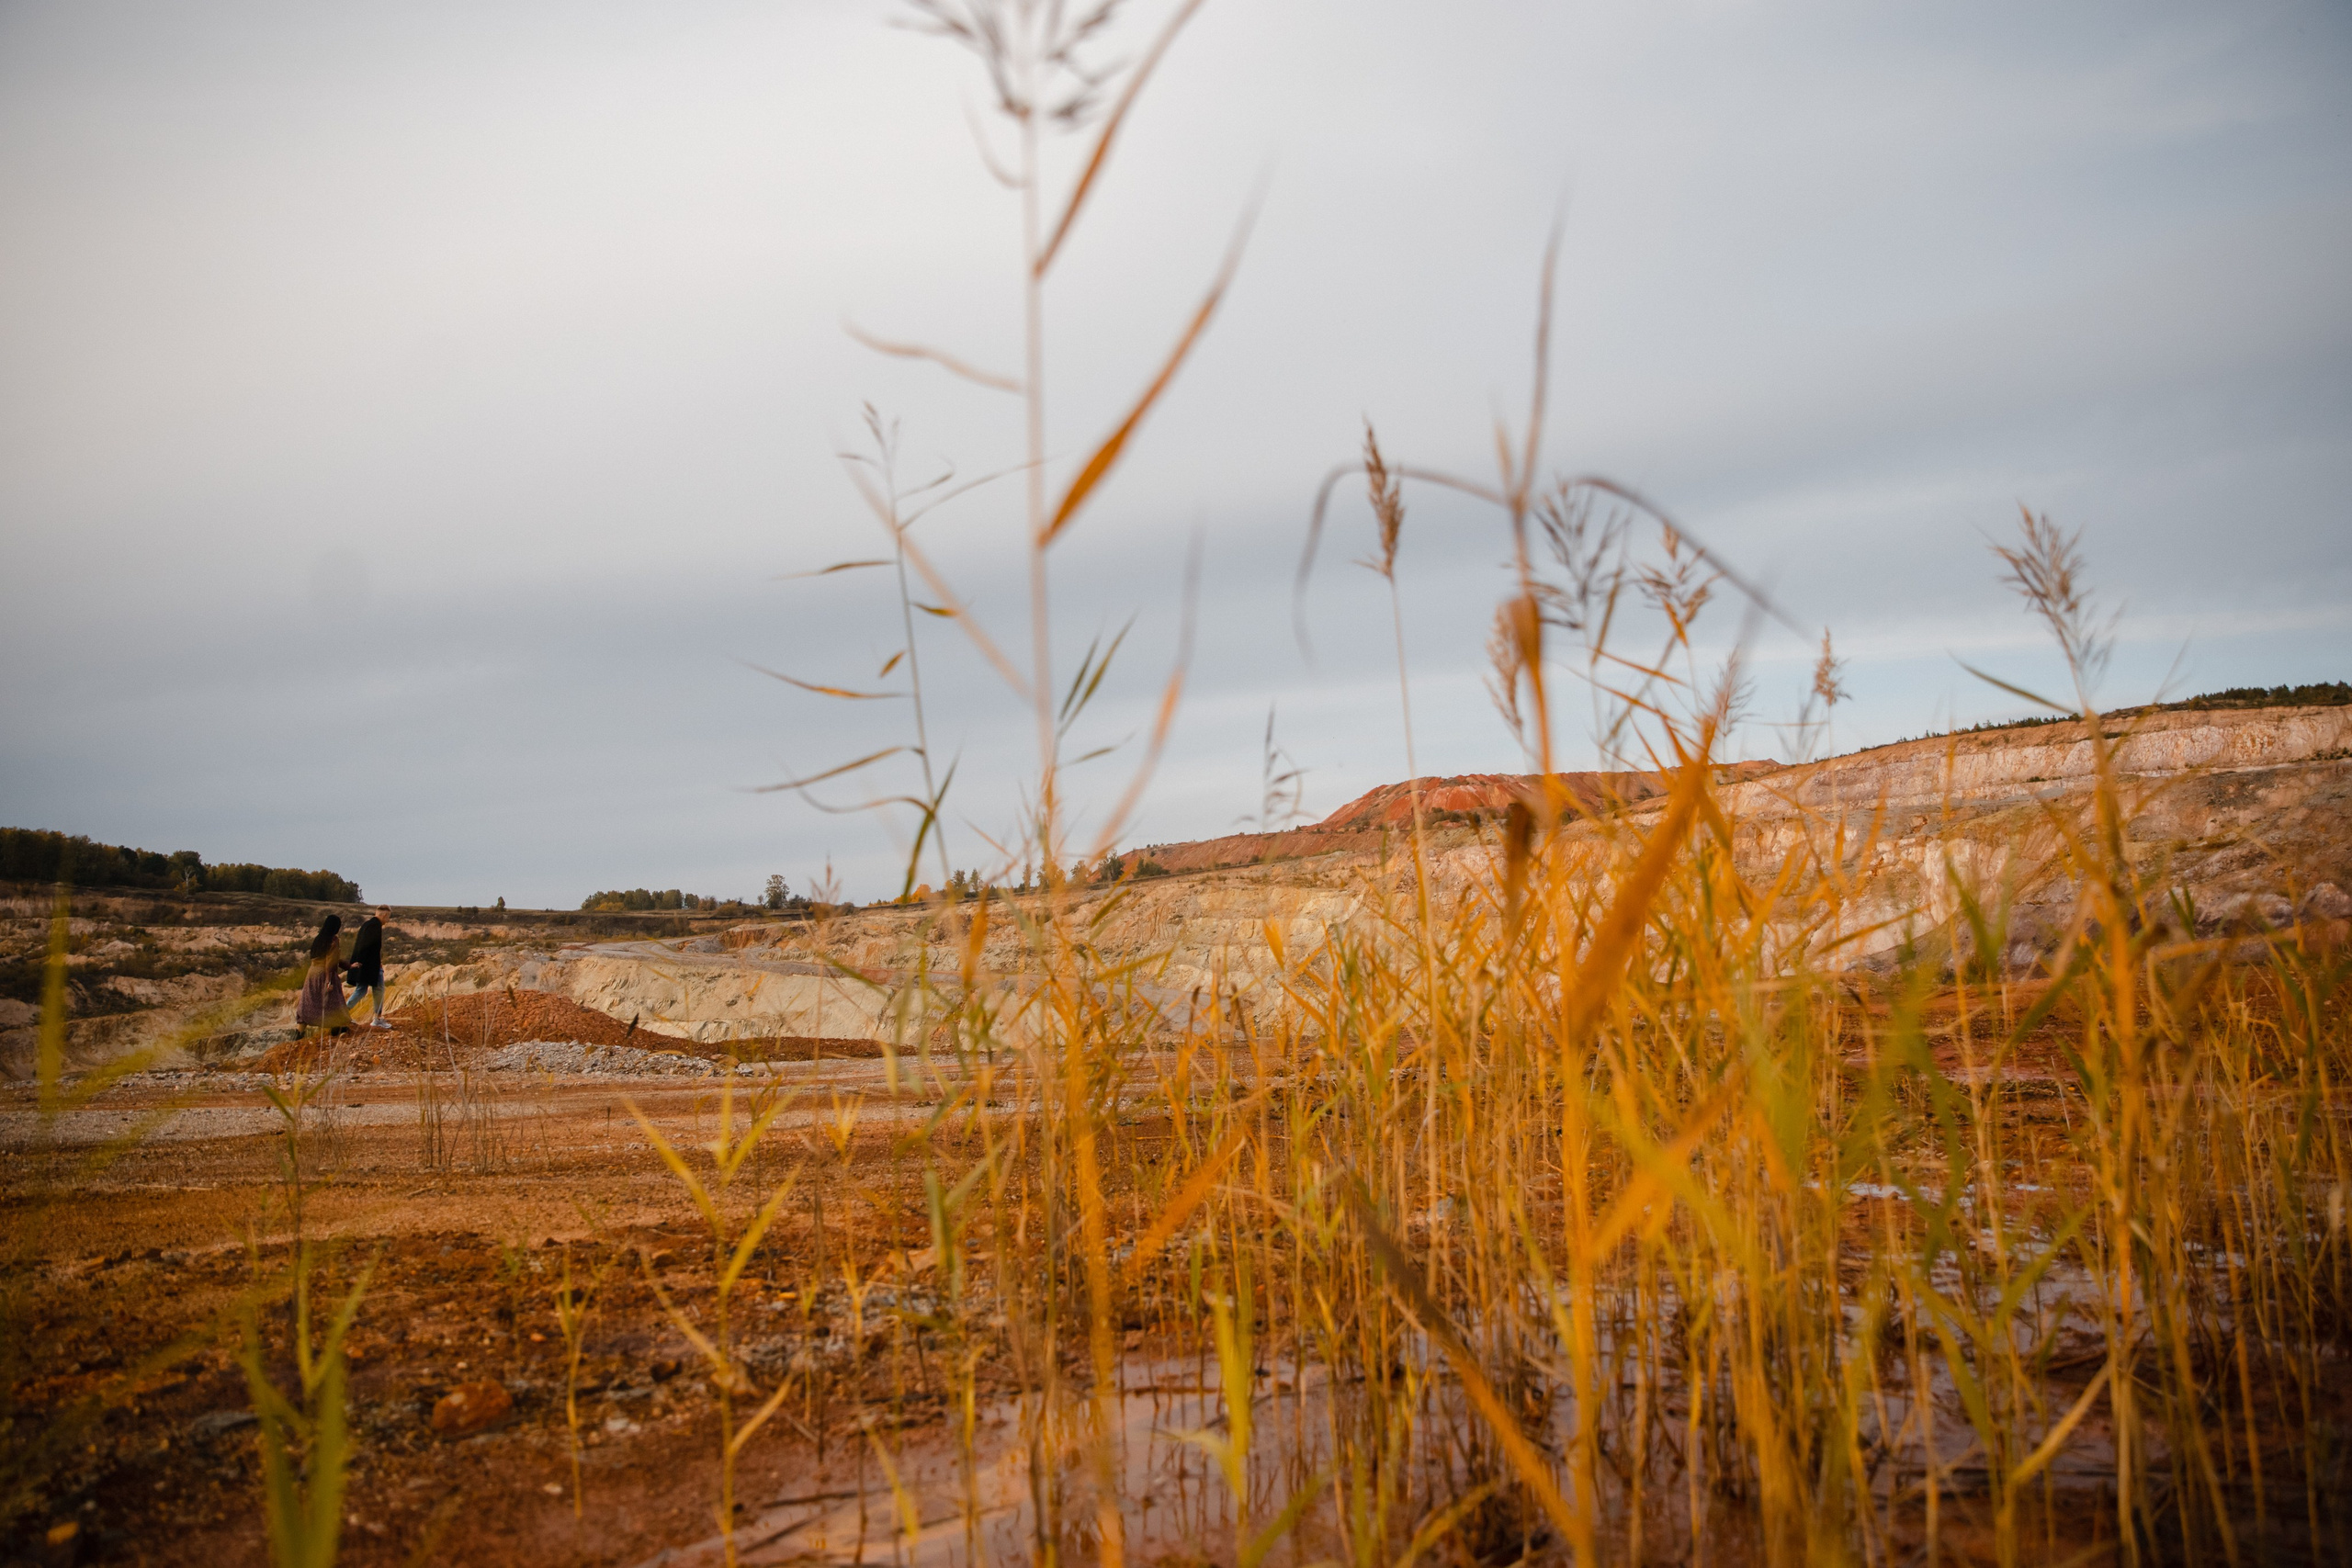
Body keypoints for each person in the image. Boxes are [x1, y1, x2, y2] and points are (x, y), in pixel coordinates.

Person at [294, 914, 350, 1041]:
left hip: (312, 974)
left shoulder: (318, 939)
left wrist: (349, 966)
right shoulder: (333, 940)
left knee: (309, 1002)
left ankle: (298, 1034)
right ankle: (337, 1028)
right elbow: (330, 963)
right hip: (324, 974)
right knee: (333, 1001)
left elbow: (326, 959)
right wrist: (329, 981)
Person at [346, 906, 391, 1030]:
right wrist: (377, 963)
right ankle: (377, 1018)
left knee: (361, 990)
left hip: (364, 964)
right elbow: (373, 948)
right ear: (383, 915)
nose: (387, 920)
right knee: (379, 989)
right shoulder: (375, 926)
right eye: (387, 917)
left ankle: (343, 1013)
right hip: (370, 965)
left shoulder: (367, 924)